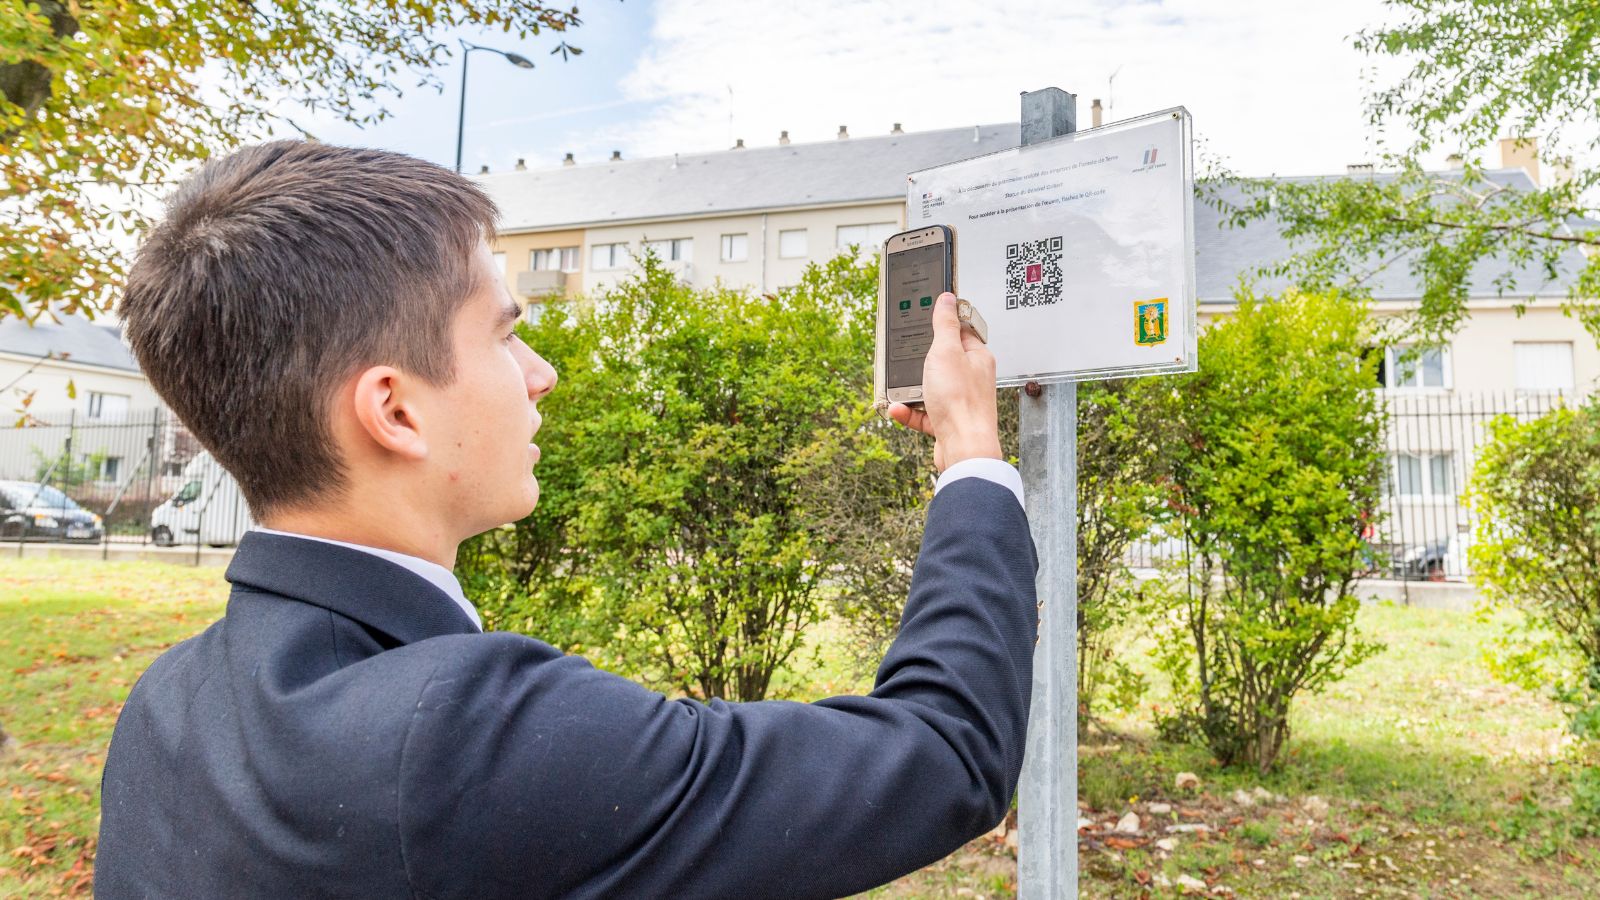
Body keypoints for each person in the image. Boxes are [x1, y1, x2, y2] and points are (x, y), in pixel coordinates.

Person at [96, 141, 1038, 899]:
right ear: (394, 411)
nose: (541, 373)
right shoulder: (476, 739)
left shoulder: (166, 707)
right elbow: (945, 752)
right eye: (505, 335)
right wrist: (972, 455)